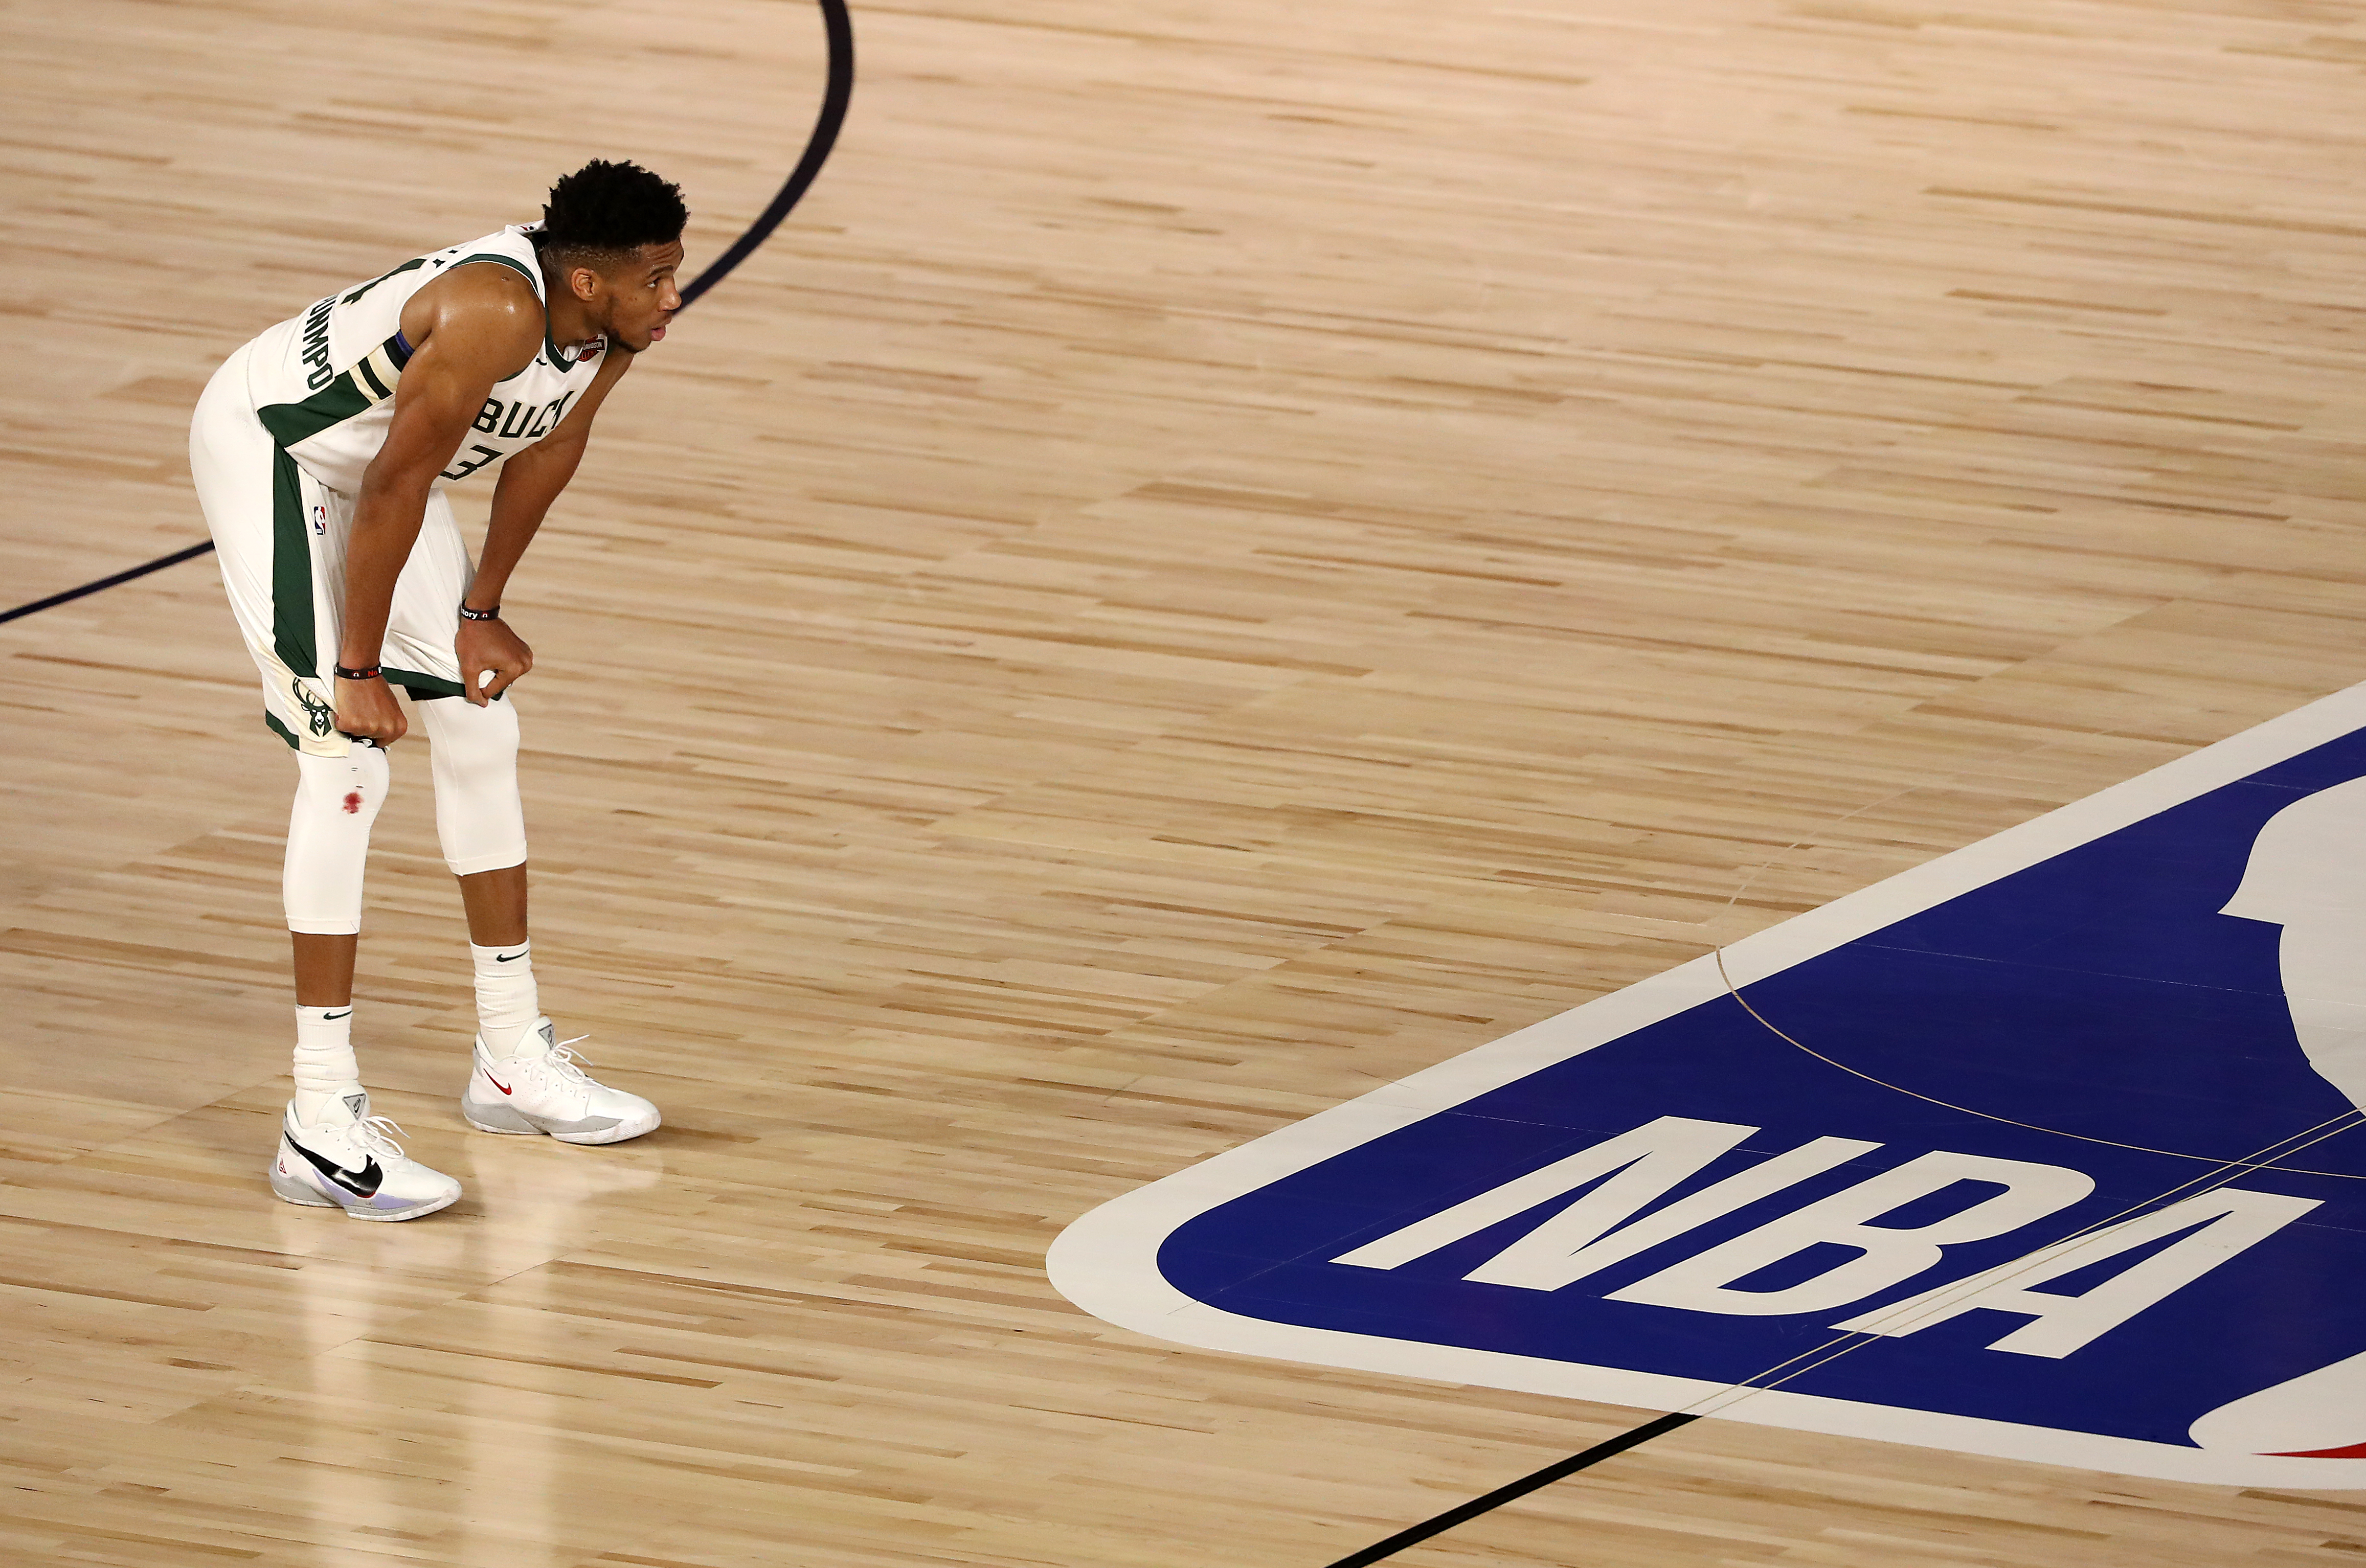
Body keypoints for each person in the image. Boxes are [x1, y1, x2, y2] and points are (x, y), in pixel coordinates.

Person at [188, 160, 686, 1220]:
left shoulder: (606, 329)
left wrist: (478, 611)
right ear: (588, 281)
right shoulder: (488, 313)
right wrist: (358, 673)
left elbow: (550, 448)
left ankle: (511, 1057)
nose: (672, 296)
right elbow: (394, 485)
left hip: (380, 479)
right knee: (346, 764)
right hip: (285, 454)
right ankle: (318, 1125)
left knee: (478, 724)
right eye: (657, 279)